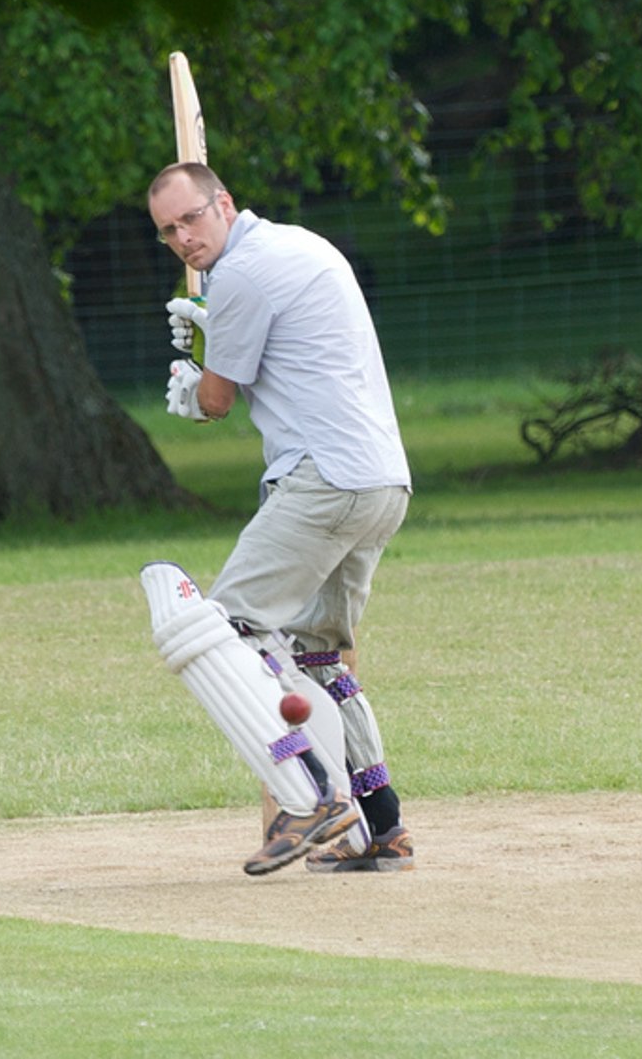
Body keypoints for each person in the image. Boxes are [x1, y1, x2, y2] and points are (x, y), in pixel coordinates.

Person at [139, 162, 413, 874]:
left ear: (223, 203)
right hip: (381, 478)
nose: (182, 239)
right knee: (319, 655)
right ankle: (383, 826)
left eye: (191, 219)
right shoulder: (301, 244)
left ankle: (310, 795)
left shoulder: (242, 276)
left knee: (220, 633)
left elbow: (219, 400)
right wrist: (213, 335)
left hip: (324, 478)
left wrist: (190, 385)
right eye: (168, 230)